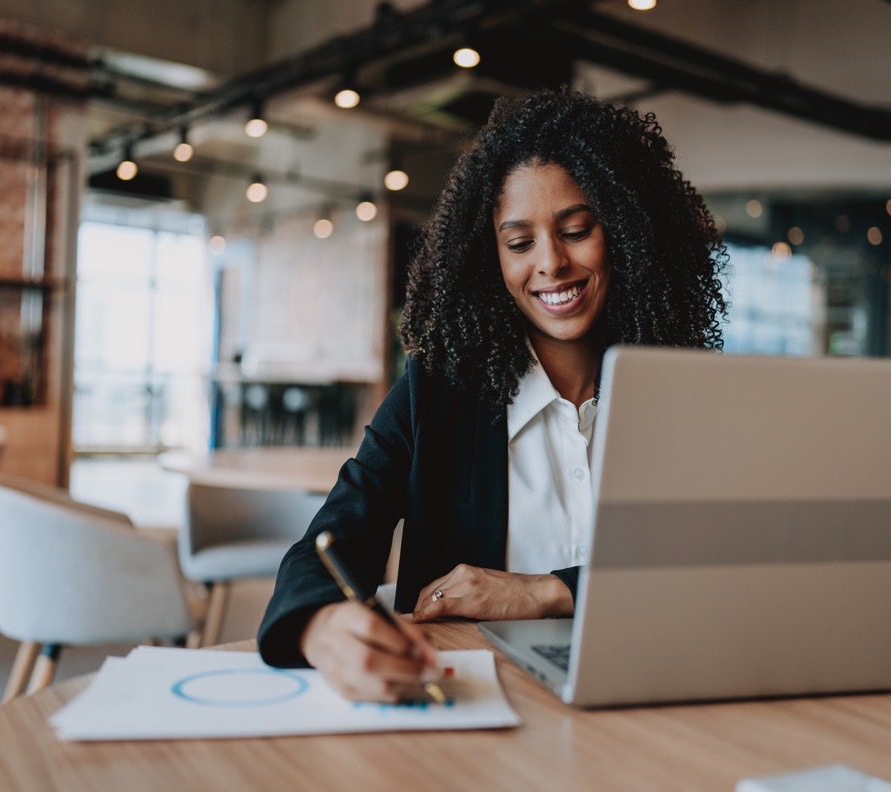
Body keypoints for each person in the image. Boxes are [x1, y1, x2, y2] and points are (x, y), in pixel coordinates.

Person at [258, 88, 727, 702]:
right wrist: (321, 627)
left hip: (662, 691)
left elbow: (714, 568)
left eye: (576, 230)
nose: (551, 263)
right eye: (519, 243)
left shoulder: (681, 396)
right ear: (490, 259)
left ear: (625, 232)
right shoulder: (437, 394)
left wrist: (545, 591)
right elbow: (334, 540)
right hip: (479, 711)